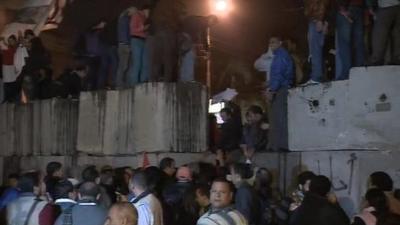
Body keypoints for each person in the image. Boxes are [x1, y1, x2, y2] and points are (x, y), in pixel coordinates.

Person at [335, 0, 366, 80]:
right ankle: (360, 69)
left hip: (347, 7)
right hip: (359, 7)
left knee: (344, 43)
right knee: (359, 41)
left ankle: (346, 73)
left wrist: (342, 6)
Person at [303, 0, 329, 84]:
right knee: (317, 51)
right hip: (316, 20)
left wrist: (320, 19)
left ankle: (316, 77)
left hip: (316, 20)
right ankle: (319, 76)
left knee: (315, 50)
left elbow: (322, 4)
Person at [367, 0, 400, 65]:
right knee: (397, 34)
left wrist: (370, 6)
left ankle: (376, 59)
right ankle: (397, 58)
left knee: (379, 34)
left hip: (385, 6)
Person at [128, 5, 150, 86]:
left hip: (143, 41)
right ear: (145, 10)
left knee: (145, 62)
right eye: (148, 12)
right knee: (137, 62)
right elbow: (132, 29)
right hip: (136, 40)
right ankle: (133, 84)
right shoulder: (136, 15)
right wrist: (143, 28)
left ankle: (143, 82)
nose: (149, 14)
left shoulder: (145, 19)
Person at [116, 7, 137, 88]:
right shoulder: (126, 20)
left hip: (121, 44)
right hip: (125, 45)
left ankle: (121, 83)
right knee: (125, 65)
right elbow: (126, 33)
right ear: (130, 11)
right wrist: (128, 44)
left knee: (122, 65)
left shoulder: (121, 19)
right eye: (134, 13)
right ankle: (122, 84)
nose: (134, 15)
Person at [1, 35, 19, 103]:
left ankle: (10, 98)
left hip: (11, 67)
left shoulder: (16, 48)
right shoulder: (9, 47)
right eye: (9, 41)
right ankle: (8, 97)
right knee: (7, 84)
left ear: (15, 41)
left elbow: (10, 52)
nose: (10, 42)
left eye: (11, 41)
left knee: (11, 84)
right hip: (6, 67)